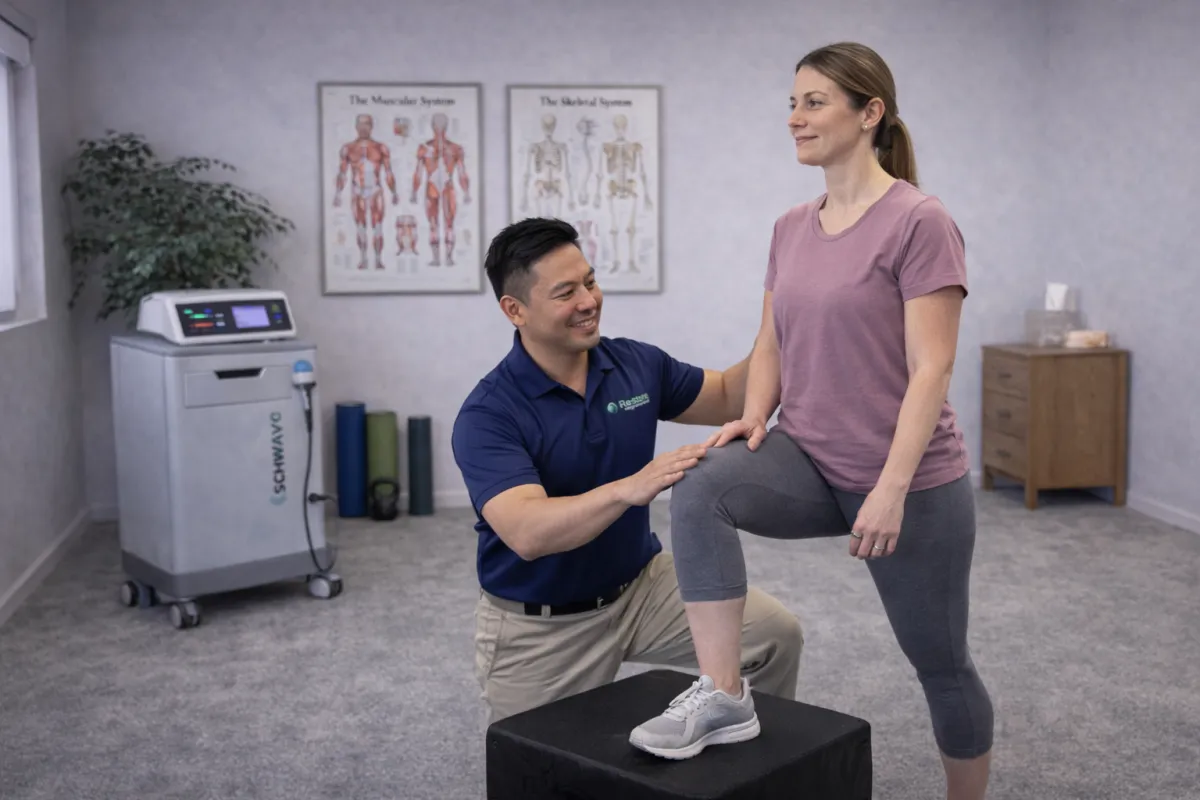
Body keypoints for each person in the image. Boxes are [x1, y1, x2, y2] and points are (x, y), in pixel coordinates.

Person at [628, 42, 994, 798]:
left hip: (909, 480)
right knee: (700, 485)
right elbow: (771, 341)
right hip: (809, 458)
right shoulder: (791, 226)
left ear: (870, 113)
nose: (795, 117)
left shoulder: (920, 221)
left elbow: (932, 368)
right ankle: (723, 694)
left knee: (940, 664)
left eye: (815, 102)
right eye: (792, 103)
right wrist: (753, 417)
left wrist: (890, 490)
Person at [451, 217, 804, 726]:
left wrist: (783, 320)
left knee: (775, 636)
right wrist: (630, 489)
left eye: (590, 282)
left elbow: (730, 395)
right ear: (515, 309)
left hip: (641, 588)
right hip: (542, 627)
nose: (588, 301)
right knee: (536, 763)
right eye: (566, 292)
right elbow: (528, 532)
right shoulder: (489, 414)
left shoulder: (634, 365)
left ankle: (750, 752)